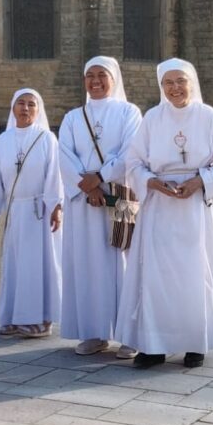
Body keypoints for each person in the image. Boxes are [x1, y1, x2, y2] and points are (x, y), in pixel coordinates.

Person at [114, 58, 213, 369]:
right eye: (168, 83)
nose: (175, 88)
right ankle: (154, 345)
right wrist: (152, 182)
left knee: (194, 274)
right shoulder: (152, 119)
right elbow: (133, 162)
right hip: (159, 208)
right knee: (156, 277)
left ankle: (194, 343)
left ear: (191, 82)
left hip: (195, 209)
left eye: (180, 81)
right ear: (161, 87)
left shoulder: (209, 117)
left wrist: (200, 181)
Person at [59, 57, 143, 358]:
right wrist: (89, 186)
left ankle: (129, 335)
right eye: (89, 75)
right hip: (84, 201)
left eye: (102, 75)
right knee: (86, 264)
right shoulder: (72, 117)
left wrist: (102, 178)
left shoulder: (128, 112)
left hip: (119, 195)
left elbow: (132, 151)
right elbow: (64, 154)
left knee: (123, 261)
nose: (95, 81)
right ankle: (93, 332)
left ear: (114, 78)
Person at [0, 89, 63, 338]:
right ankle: (12, 318)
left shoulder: (46, 138)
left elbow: (55, 175)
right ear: (13, 108)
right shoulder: (2, 141)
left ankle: (39, 319)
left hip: (40, 211)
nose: (25, 109)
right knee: (15, 265)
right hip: (16, 209)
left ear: (38, 110)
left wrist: (56, 207)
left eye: (31, 104)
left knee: (37, 266)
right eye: (20, 103)